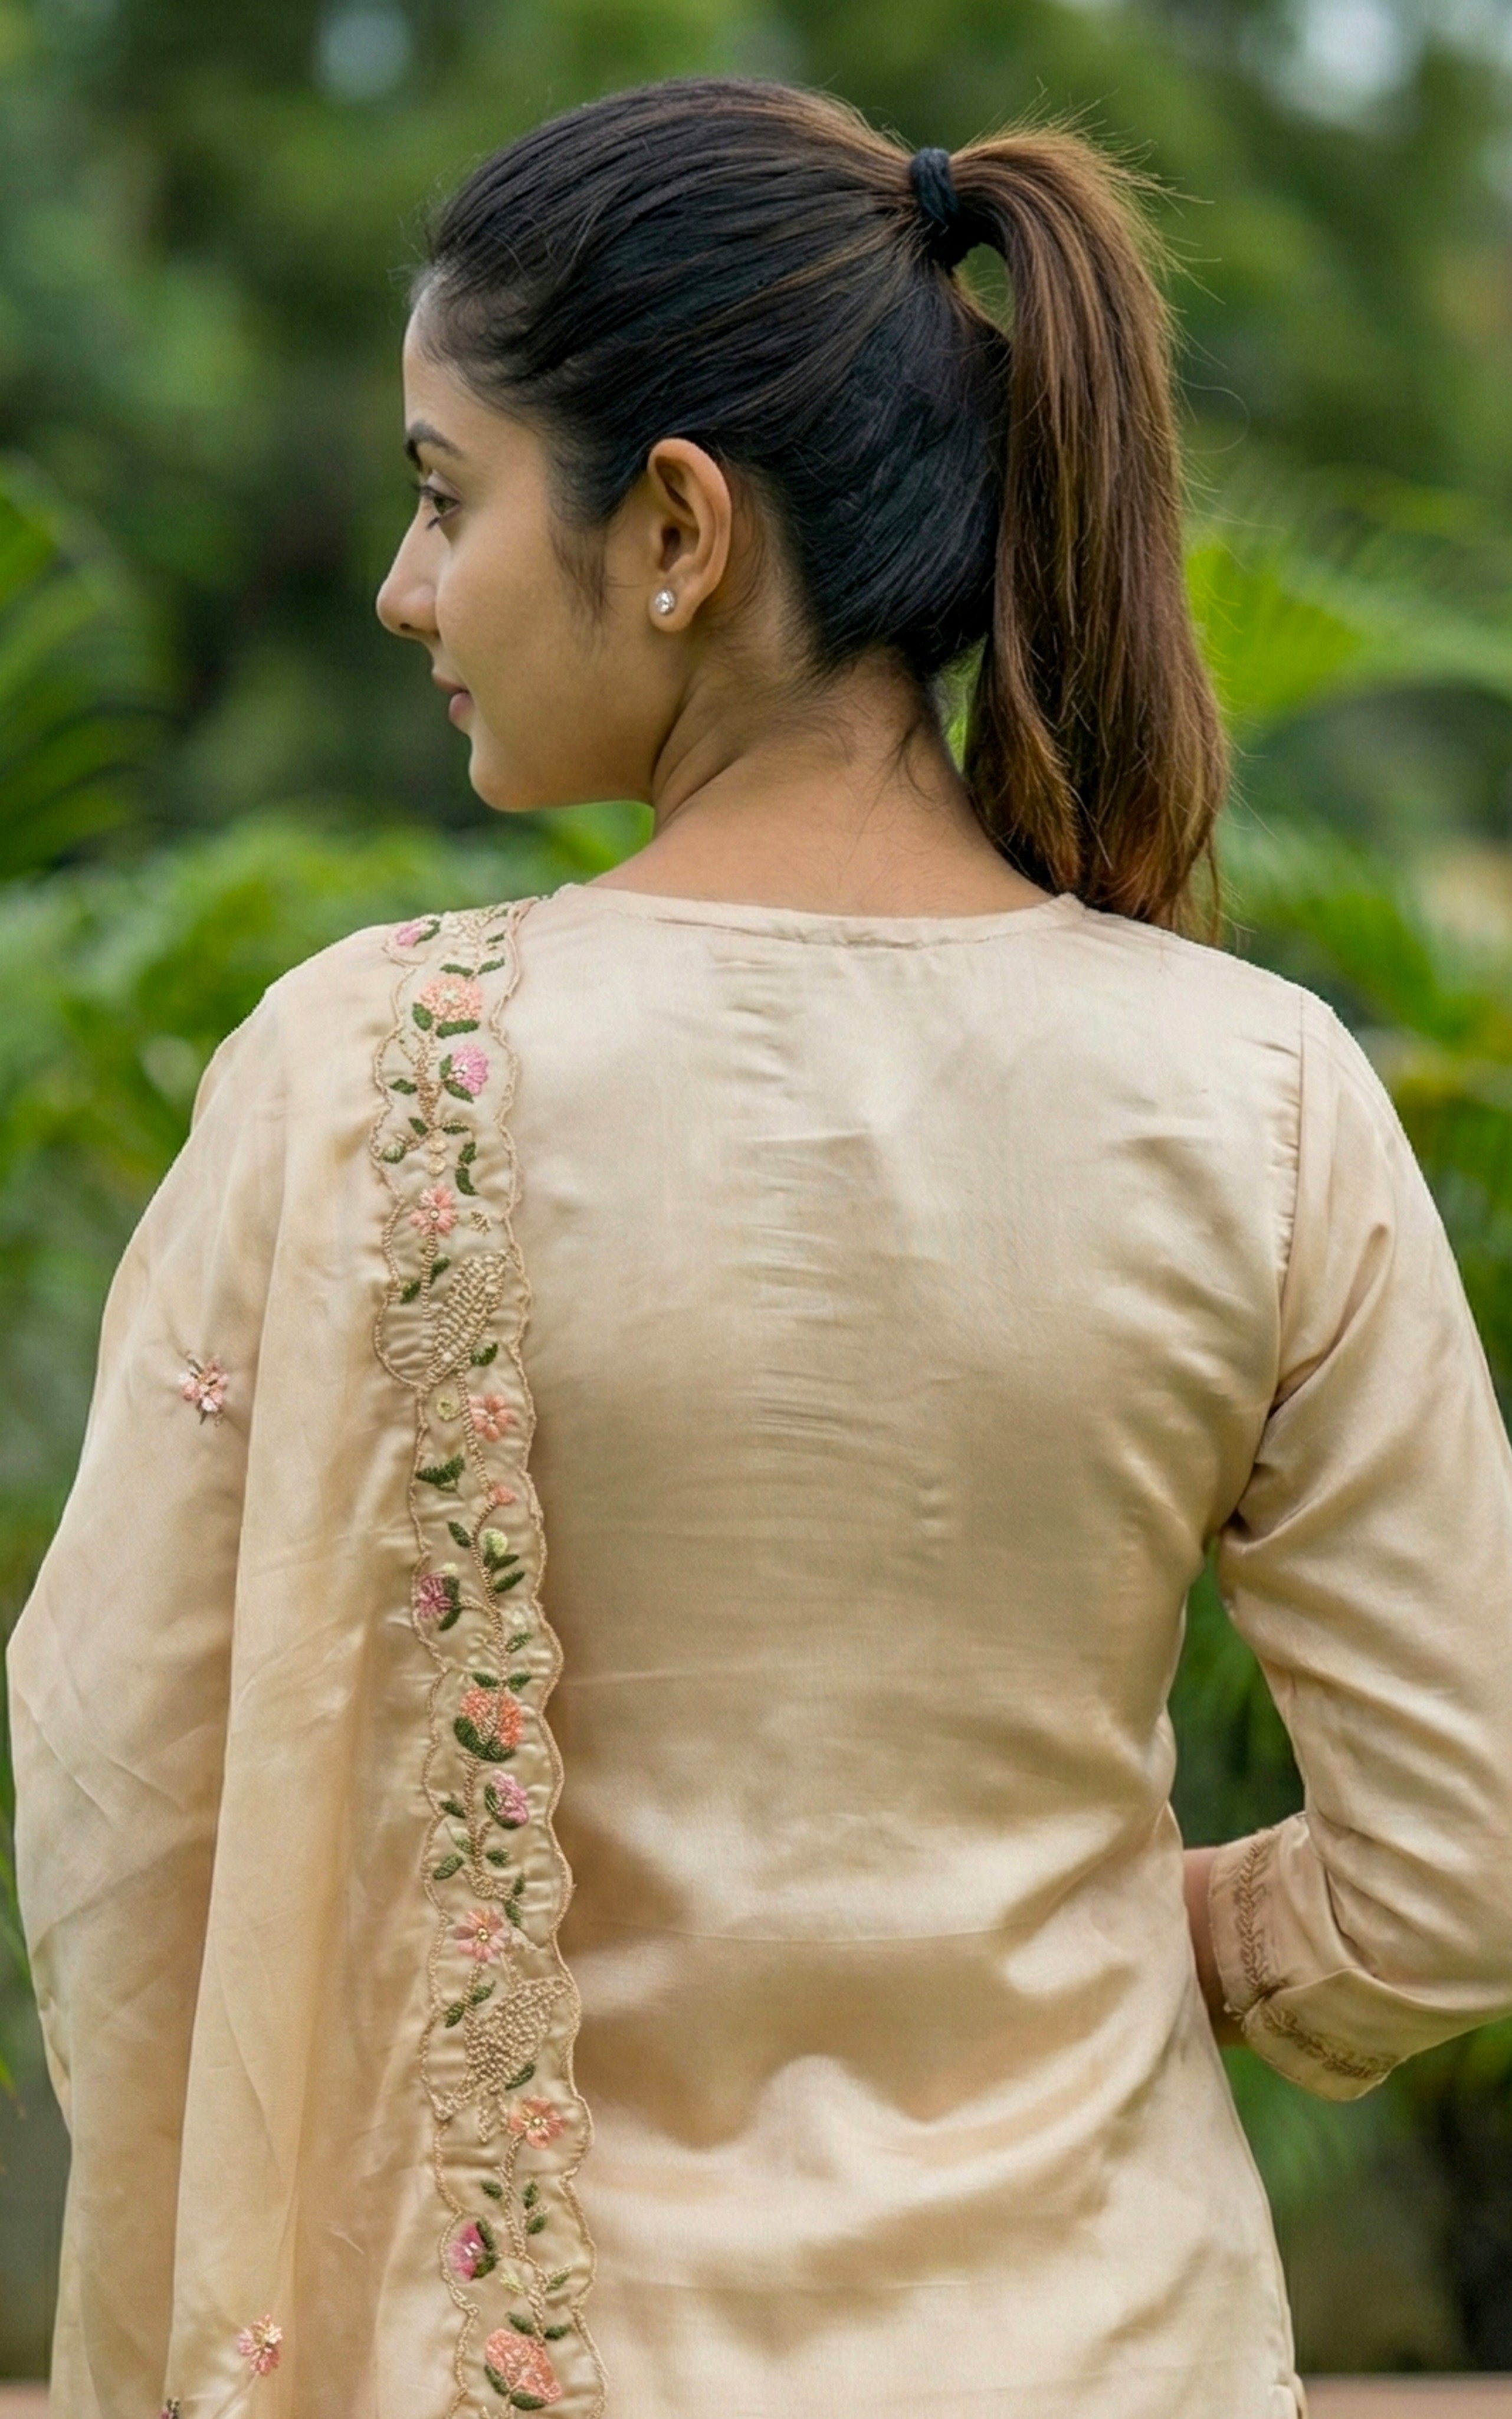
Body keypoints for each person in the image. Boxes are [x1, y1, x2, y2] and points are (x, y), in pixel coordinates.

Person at [9, 76, 1512, 2419]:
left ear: (679, 529)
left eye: (446, 493)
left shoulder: (363, 1073)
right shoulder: (1261, 1097)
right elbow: (1464, 1868)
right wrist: (1155, 1933)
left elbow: (126, 1802)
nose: (409, 588)